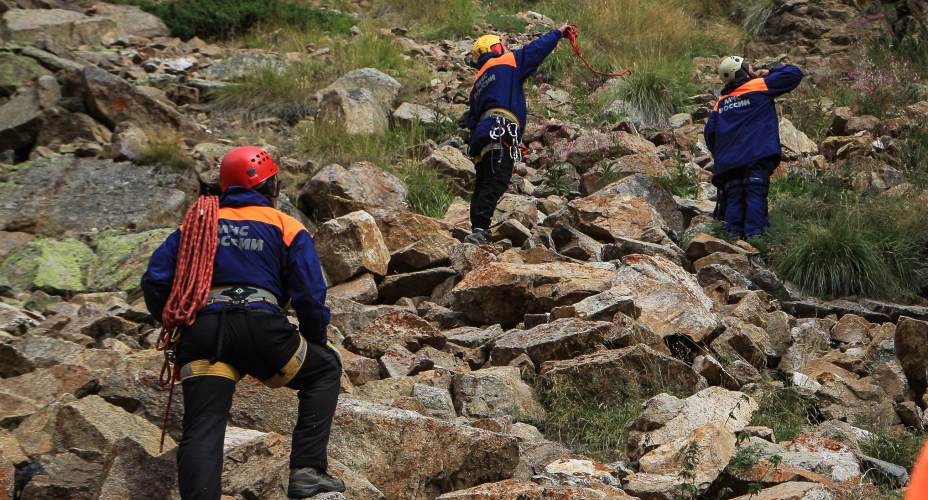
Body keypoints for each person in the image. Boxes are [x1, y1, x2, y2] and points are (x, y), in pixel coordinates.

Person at [141, 146, 344, 500]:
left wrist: (175, 323)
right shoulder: (286, 225)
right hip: (261, 327)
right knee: (324, 369)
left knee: (203, 425)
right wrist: (316, 340)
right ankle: (308, 471)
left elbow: (156, 281)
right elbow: (311, 295)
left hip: (203, 331)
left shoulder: (196, 223)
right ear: (272, 187)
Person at [464, 22, 571, 245]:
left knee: (485, 180)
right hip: (501, 128)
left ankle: (478, 228)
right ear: (496, 48)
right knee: (497, 179)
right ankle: (480, 231)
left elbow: (471, 119)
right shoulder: (507, 62)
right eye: (502, 45)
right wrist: (558, 33)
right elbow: (535, 50)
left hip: (484, 134)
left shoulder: (477, 83)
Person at [704, 56, 803, 239]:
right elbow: (795, 73)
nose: (752, 68)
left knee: (734, 197)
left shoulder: (722, 101)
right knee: (755, 194)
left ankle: (733, 241)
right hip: (757, 155)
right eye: (748, 66)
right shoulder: (760, 85)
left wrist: (722, 154)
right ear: (741, 70)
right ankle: (755, 238)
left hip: (730, 162)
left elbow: (710, 133)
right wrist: (772, 71)